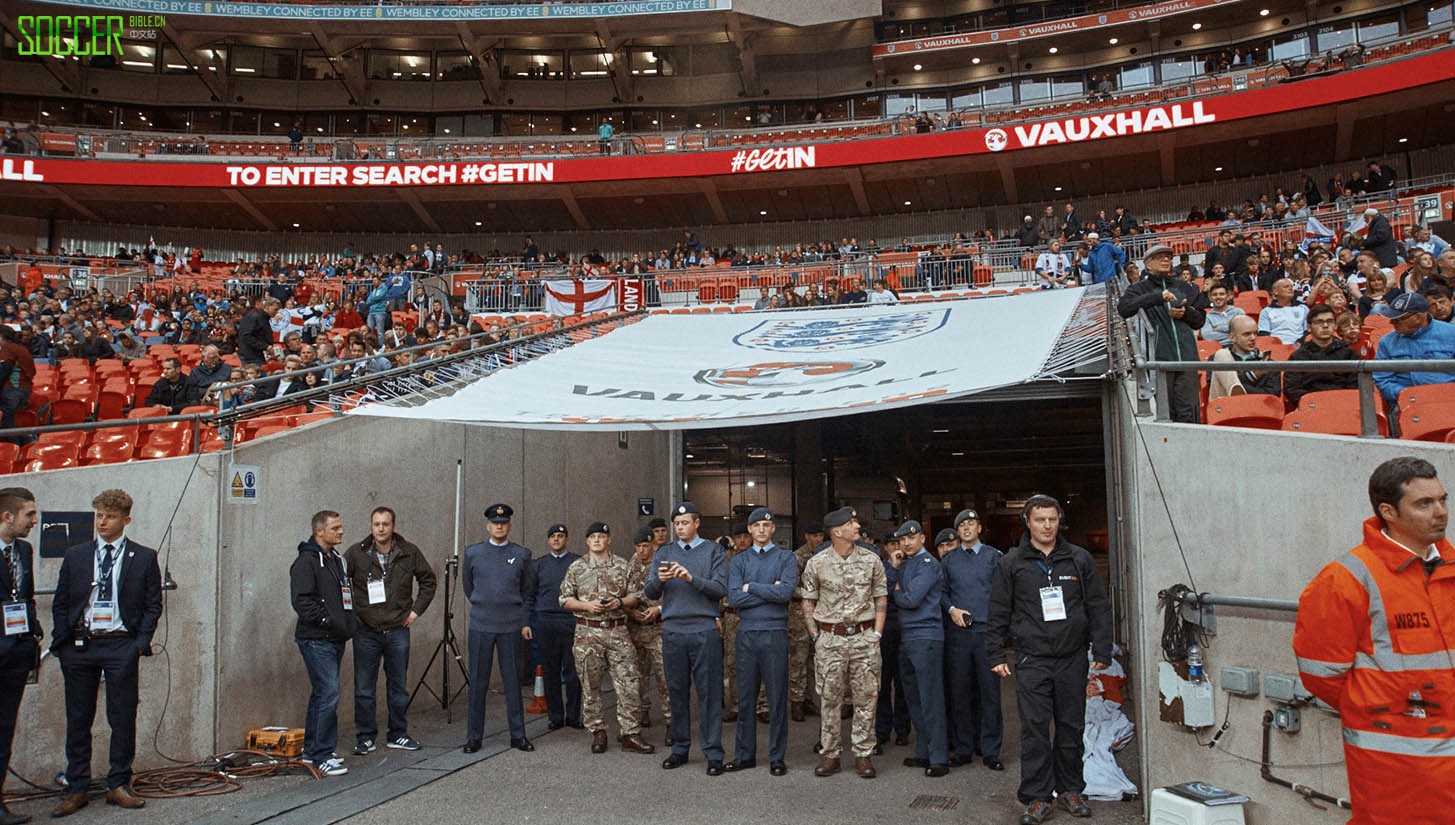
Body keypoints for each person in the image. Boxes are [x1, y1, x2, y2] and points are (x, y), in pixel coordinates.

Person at [1295, 457, 1455, 825]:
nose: (1441, 512)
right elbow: (1321, 675)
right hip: (1393, 770)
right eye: (1424, 503)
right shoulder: (1346, 579)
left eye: (1442, 500)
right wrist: (1384, 710)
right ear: (1388, 512)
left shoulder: (1450, 569)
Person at [988, 495, 1112, 825]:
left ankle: (1070, 789)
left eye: (1052, 520)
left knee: (1071, 726)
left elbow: (1098, 606)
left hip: (1072, 658)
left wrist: (1102, 649)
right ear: (1027, 523)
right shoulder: (1012, 563)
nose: (1047, 526)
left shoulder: (1078, 559)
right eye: (1040, 520)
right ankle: (1037, 797)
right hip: (1032, 659)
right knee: (1035, 729)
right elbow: (998, 609)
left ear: (1060, 521)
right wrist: (996, 653)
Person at [51, 490, 163, 816]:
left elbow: (152, 604)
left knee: (122, 716)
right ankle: (77, 787)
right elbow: (61, 602)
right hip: (81, 644)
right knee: (78, 718)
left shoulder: (143, 557)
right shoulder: (77, 555)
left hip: (120, 644)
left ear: (126, 520)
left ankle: (118, 783)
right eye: (99, 516)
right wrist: (63, 640)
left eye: (110, 517)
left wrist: (139, 643)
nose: (102, 522)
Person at [800, 506, 888, 779]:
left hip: (864, 638)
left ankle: (863, 754)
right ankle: (831, 754)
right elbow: (808, 602)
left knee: (866, 698)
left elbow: (881, 598)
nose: (857, 526)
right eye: (851, 523)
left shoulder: (872, 560)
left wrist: (877, 634)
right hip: (830, 639)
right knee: (829, 699)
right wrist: (816, 635)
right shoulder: (817, 563)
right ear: (837, 532)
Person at [643, 502, 728, 775]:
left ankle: (713, 752)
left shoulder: (714, 551)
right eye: (677, 524)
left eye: (685, 523)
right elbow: (650, 592)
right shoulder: (664, 552)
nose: (680, 528)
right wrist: (659, 579)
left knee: (709, 693)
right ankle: (679, 748)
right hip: (673, 630)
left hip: (704, 629)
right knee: (676, 691)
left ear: (697, 523)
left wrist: (691, 578)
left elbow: (720, 589)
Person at [557, 522, 655, 755]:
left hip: (617, 631)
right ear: (587, 541)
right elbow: (564, 599)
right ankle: (598, 731)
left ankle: (630, 733)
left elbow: (637, 595)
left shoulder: (622, 565)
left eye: (601, 536)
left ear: (609, 540)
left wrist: (619, 602)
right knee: (590, 685)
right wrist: (586, 606)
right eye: (593, 537)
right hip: (587, 633)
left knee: (629, 682)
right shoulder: (577, 567)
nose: (597, 540)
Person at [344, 506, 436, 755]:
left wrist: (416, 611)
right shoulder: (356, 553)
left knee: (398, 686)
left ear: (394, 526)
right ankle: (365, 737)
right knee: (364, 688)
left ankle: (398, 733)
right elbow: (340, 582)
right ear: (371, 526)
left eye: (385, 524)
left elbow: (428, 580)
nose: (381, 529)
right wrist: (352, 614)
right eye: (376, 524)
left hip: (397, 629)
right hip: (366, 630)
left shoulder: (409, 552)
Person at [725, 507, 798, 776]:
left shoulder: (786, 557)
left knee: (777, 697)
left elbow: (785, 593)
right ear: (750, 529)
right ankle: (744, 755)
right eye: (756, 526)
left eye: (766, 525)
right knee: (746, 698)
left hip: (774, 631)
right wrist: (770, 589)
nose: (761, 530)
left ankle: (777, 757)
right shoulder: (739, 561)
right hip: (747, 632)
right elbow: (735, 598)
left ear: (773, 528)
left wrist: (752, 587)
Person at [461, 503, 536, 754]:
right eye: (495, 523)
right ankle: (474, 737)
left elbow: (526, 589)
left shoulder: (522, 554)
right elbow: (469, 587)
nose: (499, 527)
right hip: (481, 624)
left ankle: (518, 735)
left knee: (513, 682)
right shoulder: (473, 553)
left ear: (509, 525)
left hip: (510, 625)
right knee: (478, 683)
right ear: (488, 526)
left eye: (503, 523)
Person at [288, 510, 355, 778]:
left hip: (335, 637)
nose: (341, 531)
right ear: (319, 532)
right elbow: (302, 601)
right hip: (317, 639)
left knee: (322, 694)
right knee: (329, 693)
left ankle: (313, 750)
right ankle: (321, 755)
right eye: (335, 528)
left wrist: (346, 624)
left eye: (340, 527)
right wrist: (327, 620)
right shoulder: (306, 562)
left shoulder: (336, 560)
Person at [942, 508, 1005, 770]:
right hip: (959, 634)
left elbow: (1003, 594)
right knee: (960, 692)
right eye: (962, 525)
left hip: (986, 633)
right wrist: (951, 609)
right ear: (958, 531)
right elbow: (942, 592)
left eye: (971, 524)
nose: (966, 528)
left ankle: (990, 750)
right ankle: (963, 748)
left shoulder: (994, 557)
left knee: (990, 693)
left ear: (979, 528)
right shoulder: (949, 560)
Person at [1117, 244, 1208, 423]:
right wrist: (1158, 297)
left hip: (1187, 358)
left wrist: (1185, 313)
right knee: (1166, 414)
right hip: (1160, 360)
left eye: (1168, 257)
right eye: (1160, 257)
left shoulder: (1184, 287)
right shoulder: (1139, 288)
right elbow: (1124, 308)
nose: (1166, 260)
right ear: (1147, 264)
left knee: (1189, 414)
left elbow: (1200, 319)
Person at [887, 520, 949, 777]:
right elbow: (889, 589)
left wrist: (898, 592)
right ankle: (924, 752)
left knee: (930, 699)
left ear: (922, 538)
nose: (906, 543)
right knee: (914, 698)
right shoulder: (905, 564)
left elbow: (912, 599)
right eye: (902, 540)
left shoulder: (928, 564)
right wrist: (894, 570)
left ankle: (939, 758)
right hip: (908, 637)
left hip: (926, 636)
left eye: (911, 538)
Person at [0, 488, 39, 825]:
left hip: (16, 655)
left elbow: (26, 598)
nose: (34, 521)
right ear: (7, 516)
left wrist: (33, 634)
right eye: (29, 514)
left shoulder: (24, 550)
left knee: (3, 731)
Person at [528, 524, 582, 731]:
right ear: (548, 540)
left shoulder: (577, 562)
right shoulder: (538, 565)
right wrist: (526, 622)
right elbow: (529, 595)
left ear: (566, 539)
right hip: (545, 622)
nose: (557, 539)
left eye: (560, 536)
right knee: (550, 671)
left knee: (573, 672)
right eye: (553, 536)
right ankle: (556, 716)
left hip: (571, 620)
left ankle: (573, 716)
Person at [1373, 293, 1455, 408]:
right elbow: (1382, 379)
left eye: (1398, 319)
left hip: (1448, 402)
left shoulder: (1451, 334)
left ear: (1419, 317)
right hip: (1406, 405)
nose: (1392, 323)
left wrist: (1443, 394)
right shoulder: (1386, 342)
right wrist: (1409, 395)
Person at [625, 525, 668, 736]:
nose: (642, 550)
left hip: (658, 629)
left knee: (665, 677)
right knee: (637, 677)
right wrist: (629, 611)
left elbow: (674, 595)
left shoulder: (662, 564)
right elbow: (622, 593)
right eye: (638, 546)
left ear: (653, 545)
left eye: (645, 546)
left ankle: (671, 721)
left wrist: (658, 609)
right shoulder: (630, 565)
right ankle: (642, 712)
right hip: (635, 629)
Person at [1284, 304, 1357, 407]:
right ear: (1309, 327)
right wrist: (1315, 402)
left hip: (1344, 405)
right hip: (1311, 407)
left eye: (1330, 321)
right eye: (1319, 322)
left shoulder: (1350, 354)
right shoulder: (1298, 357)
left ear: (1335, 326)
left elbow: (1356, 386)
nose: (1325, 325)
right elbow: (1292, 389)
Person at [788, 521, 824, 721]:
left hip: (820, 614)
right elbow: (790, 588)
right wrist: (811, 594)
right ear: (806, 537)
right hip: (799, 615)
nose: (818, 539)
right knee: (798, 658)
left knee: (813, 660)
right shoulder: (797, 557)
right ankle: (797, 701)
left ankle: (808, 698)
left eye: (820, 535)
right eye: (814, 535)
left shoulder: (824, 555)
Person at [1209, 315, 1281, 399]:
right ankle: (1235, 388)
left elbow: (1272, 396)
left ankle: (1236, 390)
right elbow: (1216, 386)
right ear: (1232, 337)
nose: (1253, 338)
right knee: (1221, 355)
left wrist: (1242, 387)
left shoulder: (1268, 363)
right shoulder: (1215, 359)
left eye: (1255, 333)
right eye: (1247, 334)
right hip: (1224, 404)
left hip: (1256, 405)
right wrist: (1252, 376)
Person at [1258, 278, 1310, 345]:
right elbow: (1264, 334)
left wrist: (1300, 342)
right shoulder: (1266, 311)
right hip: (1275, 346)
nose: (1291, 289)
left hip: (1299, 345)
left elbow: (1308, 332)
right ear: (1276, 292)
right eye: (1286, 287)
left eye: (1291, 286)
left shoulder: (1303, 308)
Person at [1199, 281, 1243, 346]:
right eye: (1214, 295)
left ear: (1227, 296)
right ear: (1210, 298)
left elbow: (1243, 332)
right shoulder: (1207, 317)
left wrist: (1218, 328)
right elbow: (1207, 336)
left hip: (1239, 347)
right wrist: (1233, 334)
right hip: (1218, 348)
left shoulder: (1238, 312)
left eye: (1222, 294)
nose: (1218, 297)